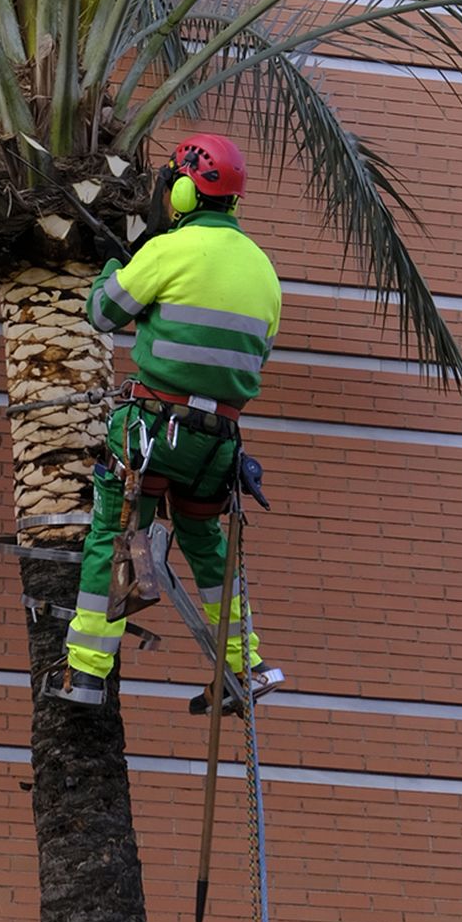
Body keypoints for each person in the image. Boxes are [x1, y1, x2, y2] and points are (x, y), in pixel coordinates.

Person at [48, 132, 284, 710]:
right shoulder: (264, 273)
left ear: (182, 189)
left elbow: (103, 314)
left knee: (115, 533)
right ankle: (245, 665)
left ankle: (85, 673)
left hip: (152, 433)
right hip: (216, 445)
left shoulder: (167, 251)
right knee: (206, 545)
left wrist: (112, 267)